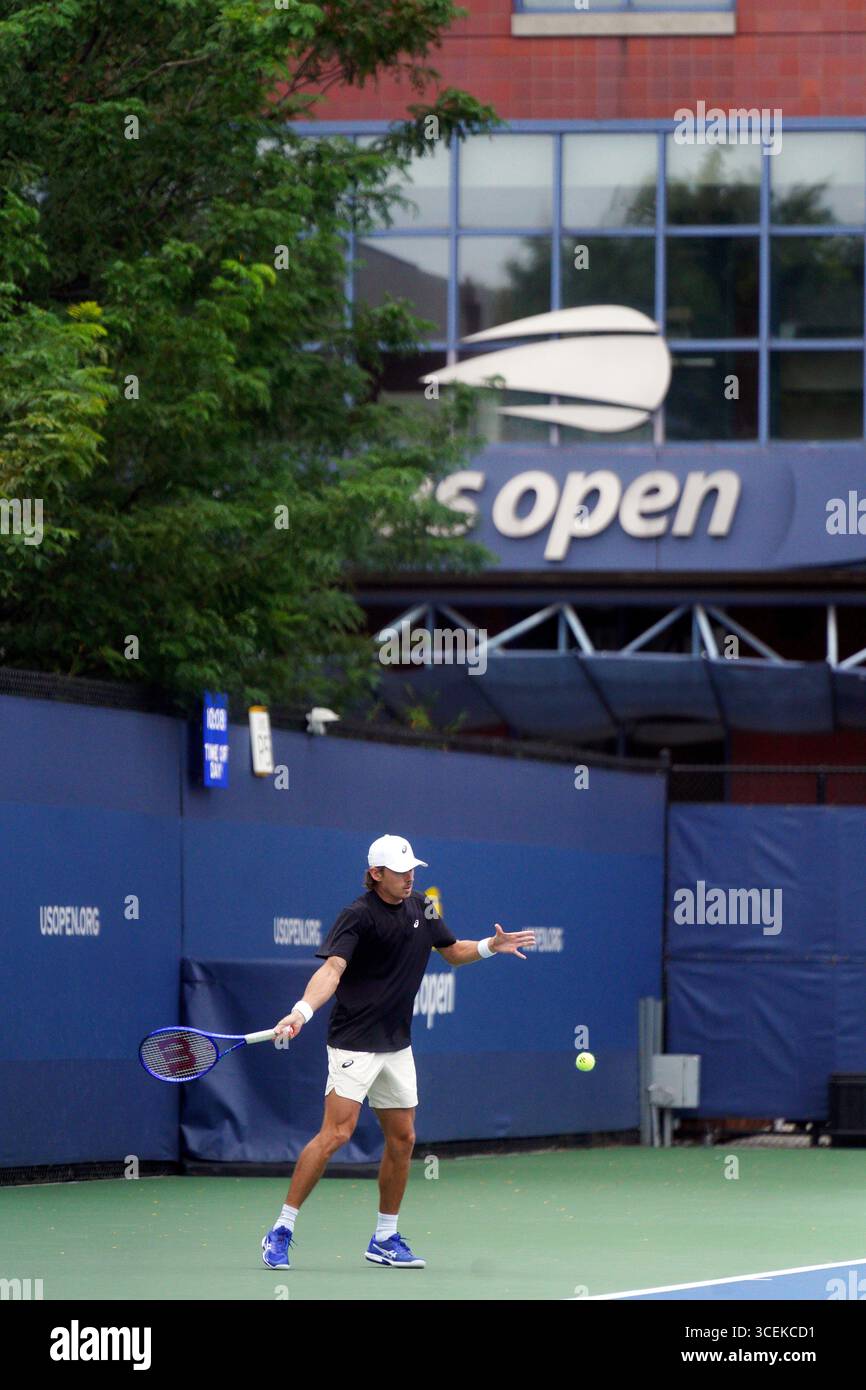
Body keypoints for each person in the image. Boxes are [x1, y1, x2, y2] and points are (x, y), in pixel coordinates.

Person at [261, 833, 535, 1269]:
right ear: (376, 874)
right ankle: (282, 1228)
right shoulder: (357, 916)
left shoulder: (423, 907)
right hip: (353, 1042)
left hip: (396, 1045)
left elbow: (452, 951)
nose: (410, 878)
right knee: (337, 1134)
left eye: (413, 870)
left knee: (403, 1138)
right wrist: (301, 1011)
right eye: (401, 871)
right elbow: (332, 969)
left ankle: (384, 1238)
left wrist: (489, 947)